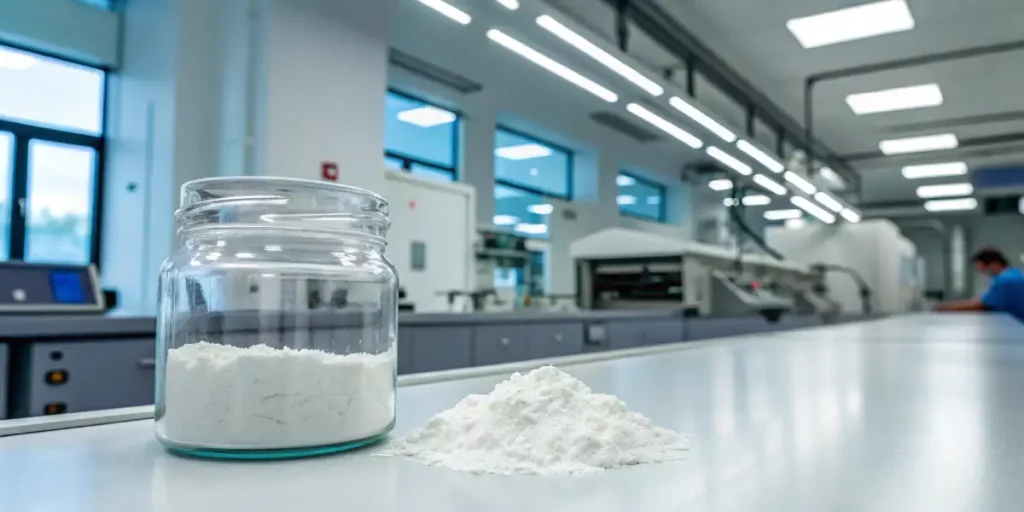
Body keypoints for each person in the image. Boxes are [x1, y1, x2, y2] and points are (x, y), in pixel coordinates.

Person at [935, 247, 1024, 322]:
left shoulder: (1006, 280)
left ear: (994, 264)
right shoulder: (1014, 274)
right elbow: (982, 300)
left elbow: (981, 306)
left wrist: (945, 307)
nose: (983, 272)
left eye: (982, 268)